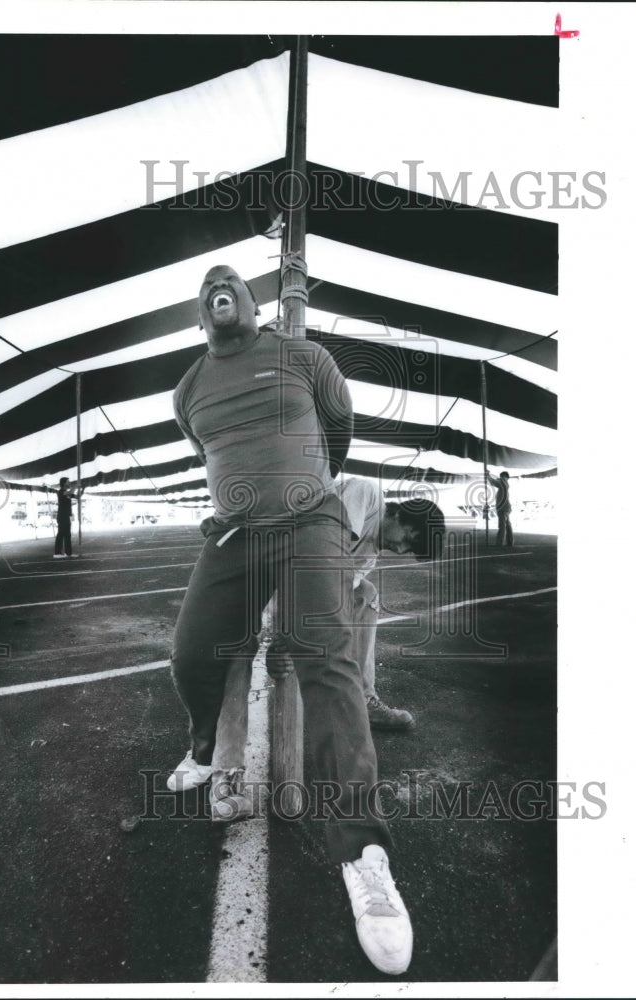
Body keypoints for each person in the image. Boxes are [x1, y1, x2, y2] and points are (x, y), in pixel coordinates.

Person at [168, 264, 413, 976]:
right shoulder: (187, 390)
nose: (220, 285)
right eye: (209, 286)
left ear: (251, 301)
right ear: (201, 313)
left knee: (326, 661)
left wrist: (305, 485)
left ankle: (362, 855)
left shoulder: (306, 357)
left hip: (309, 521)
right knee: (190, 653)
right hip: (234, 530)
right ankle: (205, 747)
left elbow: (338, 429)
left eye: (232, 281)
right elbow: (208, 452)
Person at [269, 476, 445, 731]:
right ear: (398, 516)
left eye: (408, 550)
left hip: (307, 581)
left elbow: (335, 592)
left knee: (364, 594)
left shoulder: (368, 558)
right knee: (344, 586)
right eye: (407, 538)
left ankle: (361, 698)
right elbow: (322, 550)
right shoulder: (368, 495)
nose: (400, 549)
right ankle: (284, 641)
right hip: (281, 557)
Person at [53, 477, 81, 558]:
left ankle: (68, 553)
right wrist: (76, 485)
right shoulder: (61, 492)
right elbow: (69, 493)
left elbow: (78, 496)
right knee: (61, 534)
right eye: (68, 482)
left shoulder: (68, 493)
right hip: (62, 516)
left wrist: (81, 489)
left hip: (67, 516)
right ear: (64, 483)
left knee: (68, 535)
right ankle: (57, 553)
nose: (69, 483)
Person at [492, 470, 513, 547]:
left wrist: (487, 475)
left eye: (502, 476)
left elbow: (493, 482)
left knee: (502, 525)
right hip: (506, 507)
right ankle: (509, 542)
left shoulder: (503, 483)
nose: (501, 478)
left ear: (505, 477)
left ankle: (499, 543)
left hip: (503, 507)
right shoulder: (506, 484)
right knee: (507, 525)